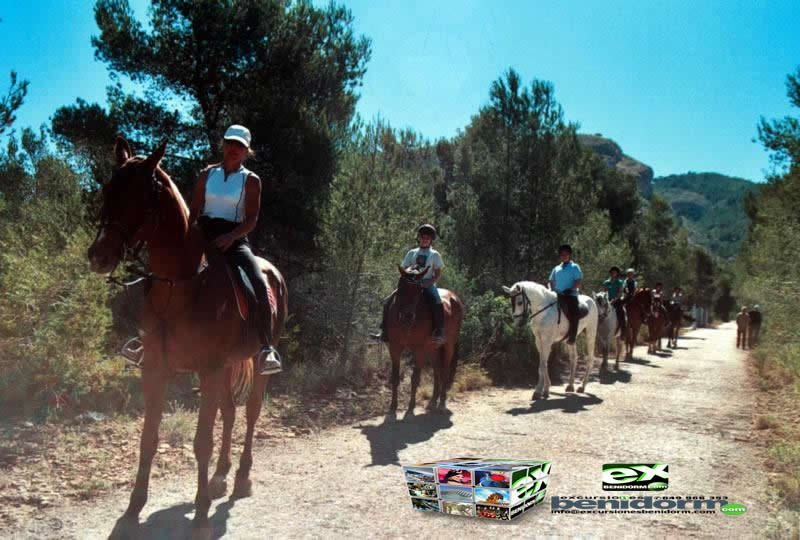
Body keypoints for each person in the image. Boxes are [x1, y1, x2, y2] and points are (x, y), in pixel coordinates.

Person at [187, 124, 281, 375]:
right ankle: (149, 337)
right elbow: (194, 208)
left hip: (234, 238)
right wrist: (189, 234)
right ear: (224, 144)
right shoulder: (207, 174)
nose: (234, 149)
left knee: (258, 281)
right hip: (204, 233)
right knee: (166, 270)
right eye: (230, 143)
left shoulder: (251, 180)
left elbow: (252, 219)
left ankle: (266, 347)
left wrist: (231, 237)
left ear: (246, 151)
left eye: (240, 146)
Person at [372, 224, 446, 344]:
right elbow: (405, 268)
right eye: (423, 237)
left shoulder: (435, 255)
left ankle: (439, 331)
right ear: (419, 238)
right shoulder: (412, 252)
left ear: (431, 240)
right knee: (388, 301)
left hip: (426, 284)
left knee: (436, 301)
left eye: (427, 238)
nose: (425, 240)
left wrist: (429, 282)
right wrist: (410, 271)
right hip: (410, 284)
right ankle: (384, 331)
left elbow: (437, 273)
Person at [549, 244, 583, 344]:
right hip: (557, 295)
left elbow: (578, 280)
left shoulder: (575, 267)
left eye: (566, 254)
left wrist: (571, 289)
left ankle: (572, 336)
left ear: (569, 255)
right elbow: (551, 280)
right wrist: (553, 289)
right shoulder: (556, 268)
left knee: (574, 313)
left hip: (570, 295)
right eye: (562, 254)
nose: (564, 256)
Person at [602, 266, 626, 332]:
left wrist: (614, 299)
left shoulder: (620, 282)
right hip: (607, 300)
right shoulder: (606, 282)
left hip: (616, 300)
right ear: (610, 273)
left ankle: (623, 330)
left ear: (617, 274)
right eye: (612, 272)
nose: (613, 274)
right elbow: (604, 292)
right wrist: (607, 300)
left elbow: (620, 292)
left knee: (621, 312)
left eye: (615, 273)